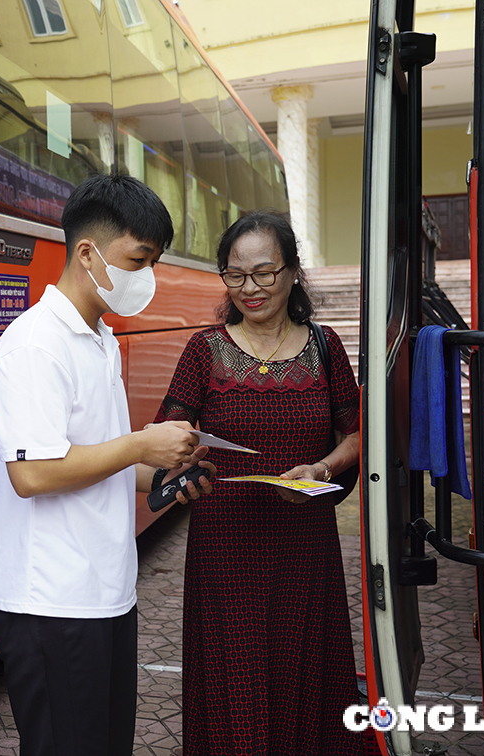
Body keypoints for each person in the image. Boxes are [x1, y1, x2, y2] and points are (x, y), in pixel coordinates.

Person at [0, 173, 215, 756]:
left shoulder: (99, 336)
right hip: (51, 602)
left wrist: (165, 470)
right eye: (138, 259)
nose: (147, 278)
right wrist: (140, 444)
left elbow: (98, 460)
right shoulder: (35, 345)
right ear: (87, 251)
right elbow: (33, 473)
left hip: (105, 590)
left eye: (154, 262)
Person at [154, 210, 362, 755]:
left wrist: (322, 469)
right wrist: (185, 462)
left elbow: (358, 436)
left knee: (305, 671)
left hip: (304, 547)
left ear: (293, 273)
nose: (250, 288)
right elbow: (164, 438)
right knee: (234, 680)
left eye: (265, 273)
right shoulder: (204, 351)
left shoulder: (325, 348)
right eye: (235, 274)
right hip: (226, 548)